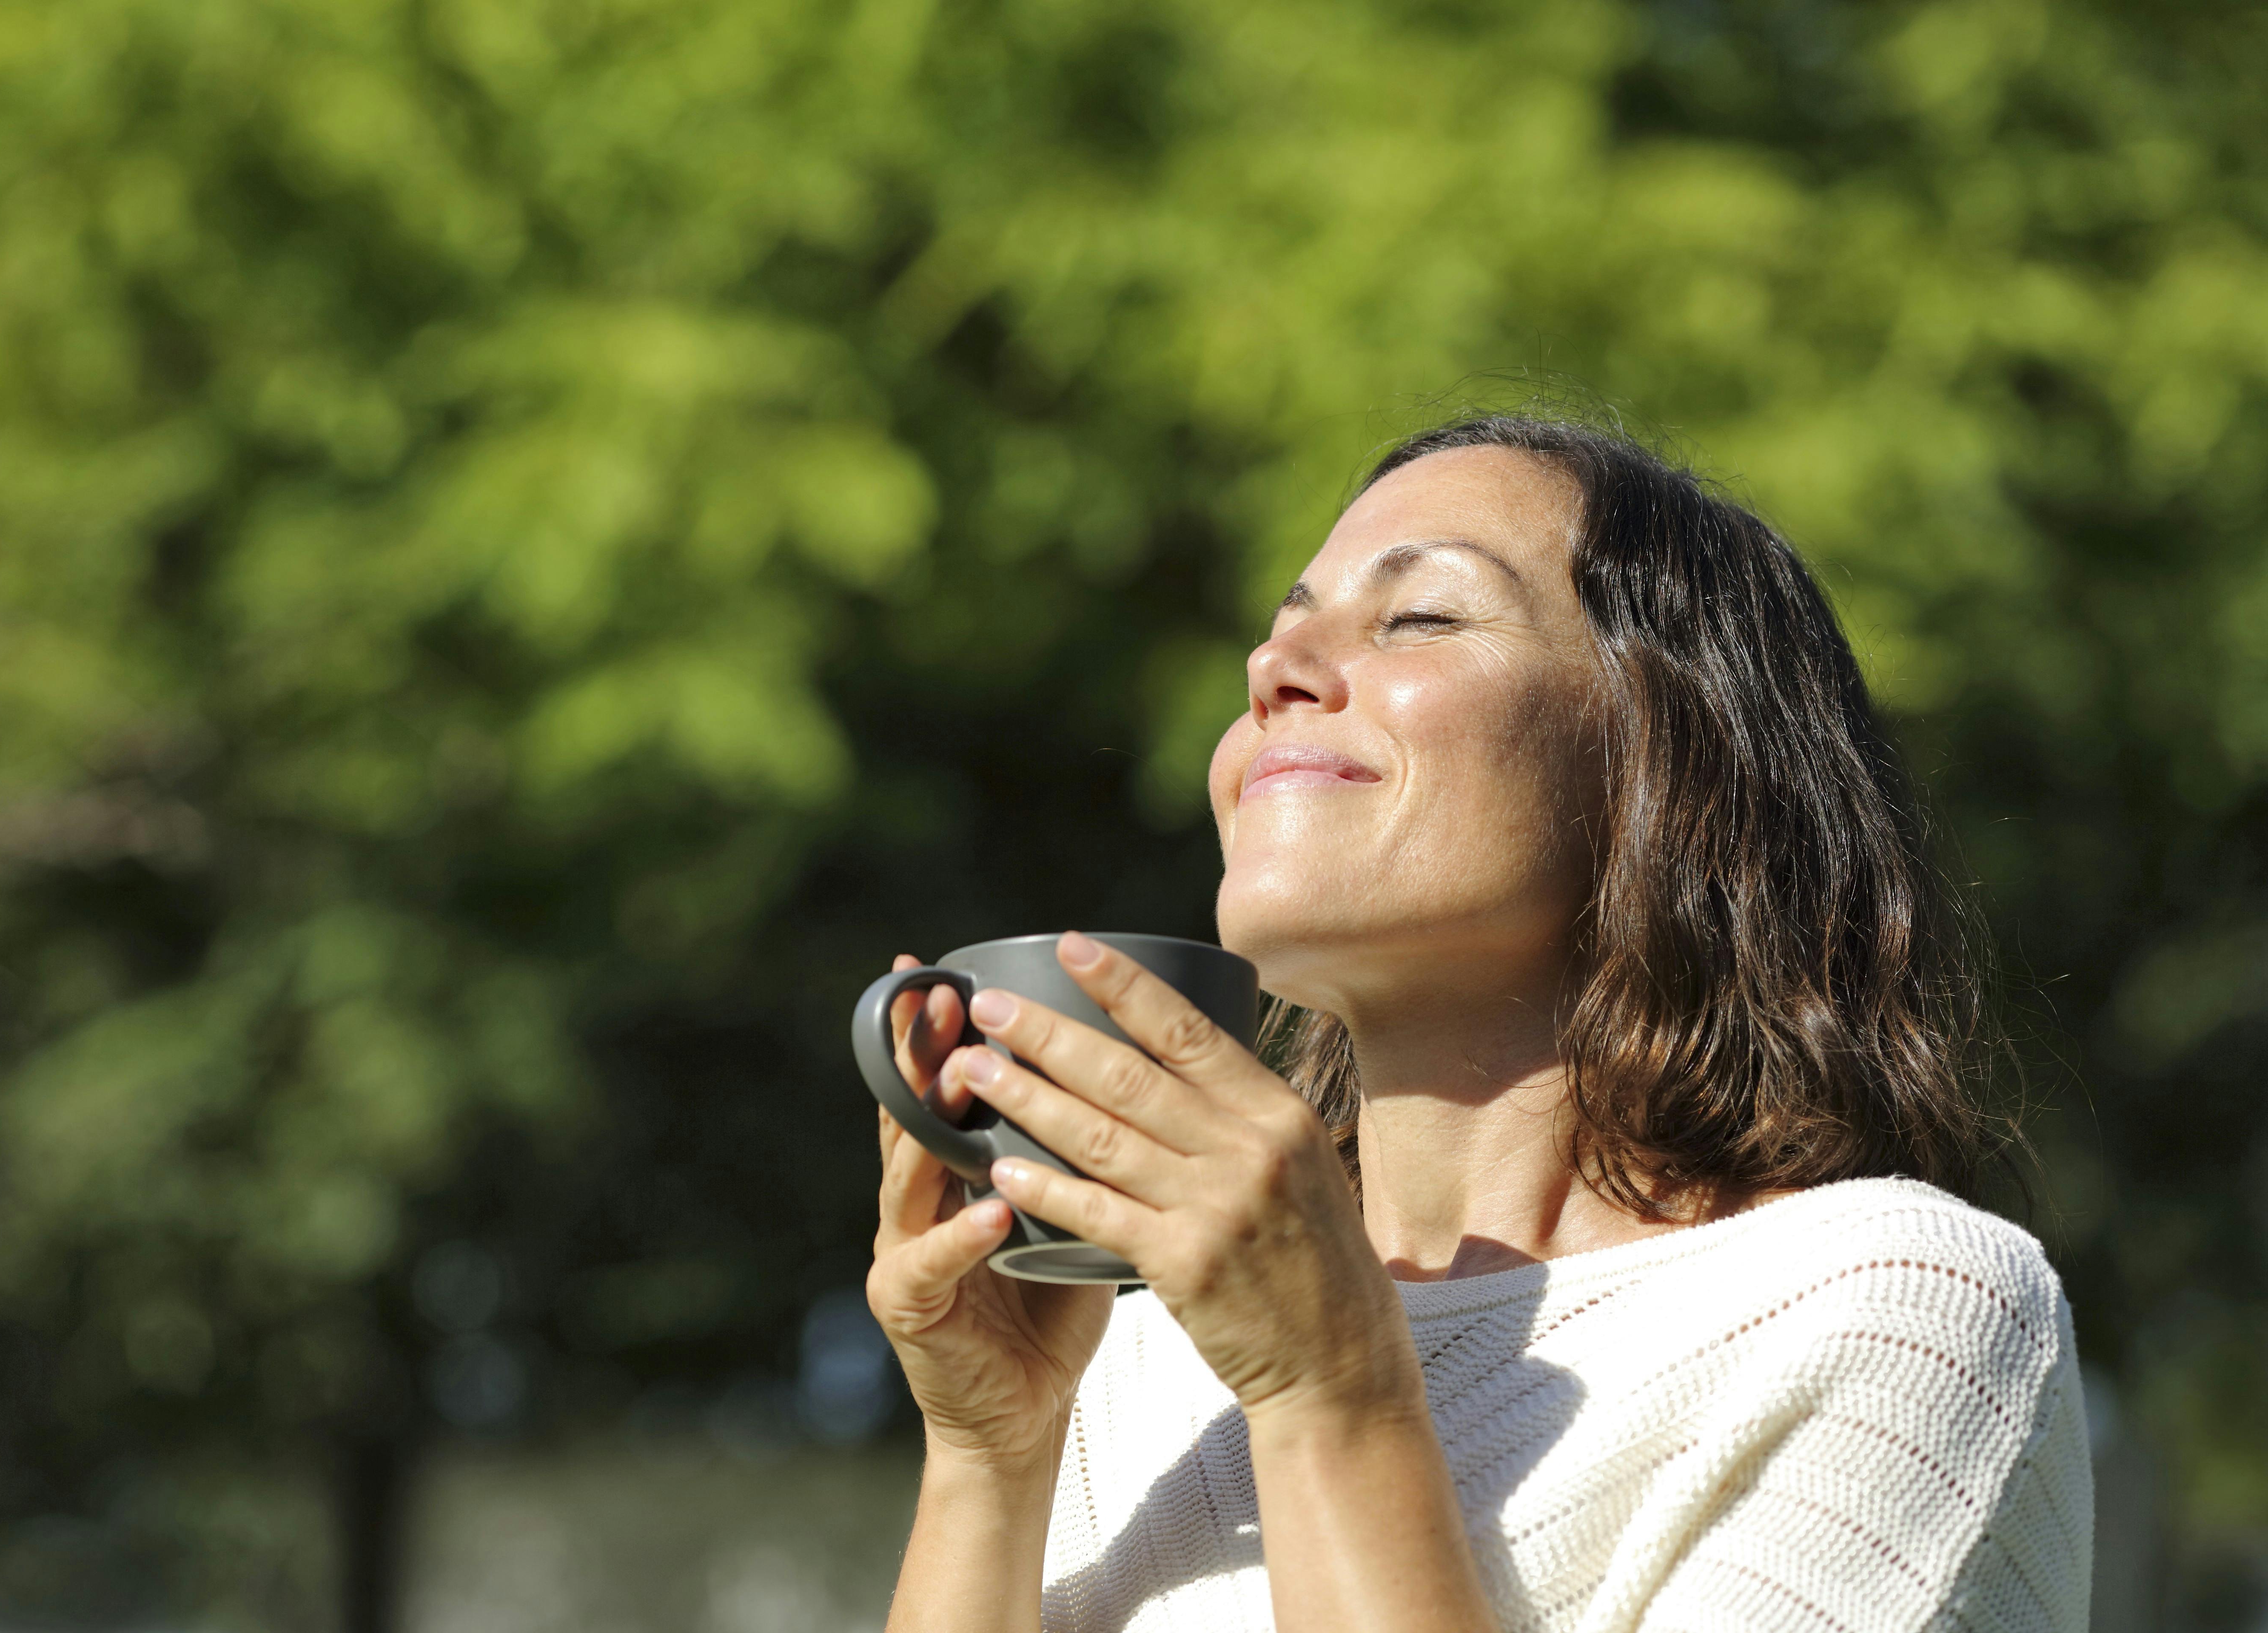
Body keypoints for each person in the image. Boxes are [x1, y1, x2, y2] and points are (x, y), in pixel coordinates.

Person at [866, 415, 2093, 1633]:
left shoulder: (1895, 1311)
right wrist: (991, 1453)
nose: (1273, 671)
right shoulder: (1132, 1375)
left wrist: (1328, 1394)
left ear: (1669, 753)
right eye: (1283, 630)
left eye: (1421, 618)